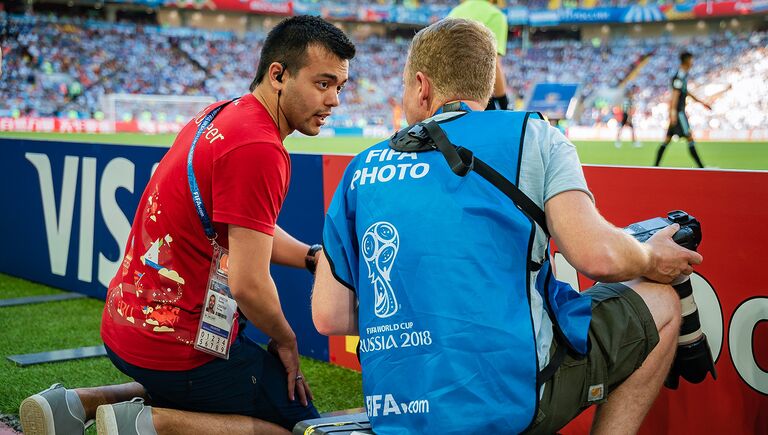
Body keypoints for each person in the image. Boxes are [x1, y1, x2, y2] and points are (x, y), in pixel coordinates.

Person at [312, 18, 702, 434]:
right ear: (484, 84)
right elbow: (598, 256)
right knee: (663, 301)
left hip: (400, 412)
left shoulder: (362, 167)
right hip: (510, 402)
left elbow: (330, 316)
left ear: (422, 86)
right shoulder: (533, 134)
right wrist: (650, 254)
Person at [20, 15, 354, 435]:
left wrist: (309, 257)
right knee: (302, 426)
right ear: (278, 75)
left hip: (125, 325)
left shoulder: (220, 115)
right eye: (322, 84)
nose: (334, 100)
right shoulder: (260, 147)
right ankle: (148, 424)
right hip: (177, 345)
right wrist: (286, 341)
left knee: (204, 381)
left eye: (339, 87)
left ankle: (75, 404)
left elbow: (245, 230)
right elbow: (248, 285)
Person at [654, 51, 711, 168]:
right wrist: (673, 113)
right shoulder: (679, 77)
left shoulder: (683, 75)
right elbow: (674, 96)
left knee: (667, 140)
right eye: (691, 60)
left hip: (677, 112)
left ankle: (655, 167)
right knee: (689, 138)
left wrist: (702, 103)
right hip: (679, 113)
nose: (692, 63)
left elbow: (686, 92)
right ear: (686, 61)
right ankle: (702, 168)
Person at [448, 0, 509, 110]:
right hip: (478, 99)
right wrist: (504, 103)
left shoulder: (454, 12)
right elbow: (494, 64)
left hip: (450, 98)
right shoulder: (495, 15)